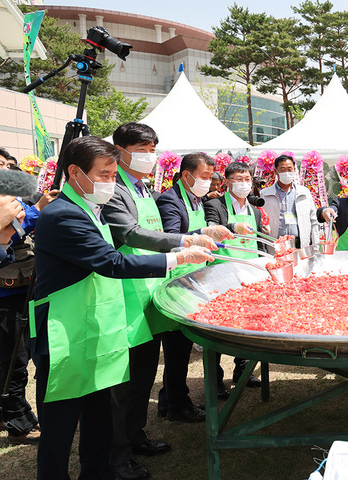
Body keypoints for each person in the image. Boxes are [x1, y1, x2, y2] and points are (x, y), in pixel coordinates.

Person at [31, 136, 212, 480]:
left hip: (98, 331)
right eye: (104, 174)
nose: (111, 182)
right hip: (66, 336)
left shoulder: (89, 208)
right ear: (74, 172)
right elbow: (110, 262)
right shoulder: (63, 215)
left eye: (114, 175)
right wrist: (177, 257)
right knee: (60, 426)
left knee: (100, 421)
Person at [104, 123, 221, 479]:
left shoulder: (142, 188)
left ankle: (135, 436)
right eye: (141, 148)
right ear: (119, 150)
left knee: (142, 375)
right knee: (124, 381)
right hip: (125, 295)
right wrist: (185, 241)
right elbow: (129, 233)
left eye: (153, 149)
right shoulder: (113, 188)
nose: (149, 156)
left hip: (150, 292)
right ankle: (117, 454)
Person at [156, 152, 234, 423]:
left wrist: (216, 231)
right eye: (203, 177)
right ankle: (177, 403)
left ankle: (170, 399)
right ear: (186, 175)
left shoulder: (195, 199)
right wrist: (199, 236)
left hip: (195, 276)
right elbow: (170, 237)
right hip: (177, 279)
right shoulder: (170, 199)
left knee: (181, 347)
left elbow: (197, 229)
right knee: (177, 347)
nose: (208, 182)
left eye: (210, 176)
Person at [0, 143, 58, 446]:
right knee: (15, 361)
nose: (3, 172)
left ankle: (0, 409)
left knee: (11, 358)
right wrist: (37, 210)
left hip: (19, 289)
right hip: (3, 294)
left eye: (6, 166)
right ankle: (17, 421)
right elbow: (11, 229)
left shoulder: (9, 198)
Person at [204, 161, 266, 390]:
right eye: (238, 179)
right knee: (218, 329)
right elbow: (211, 229)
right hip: (222, 273)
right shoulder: (214, 205)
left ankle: (244, 371)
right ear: (227, 182)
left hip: (250, 276)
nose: (243, 184)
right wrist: (232, 226)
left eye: (247, 179)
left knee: (250, 325)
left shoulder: (254, 209)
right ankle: (216, 380)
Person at [260, 155, 319, 250]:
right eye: (282, 169)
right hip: (275, 246)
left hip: (300, 245)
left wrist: (316, 247)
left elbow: (313, 219)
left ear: (294, 170)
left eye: (289, 169)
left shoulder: (304, 192)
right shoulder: (265, 194)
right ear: (276, 171)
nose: (286, 172)